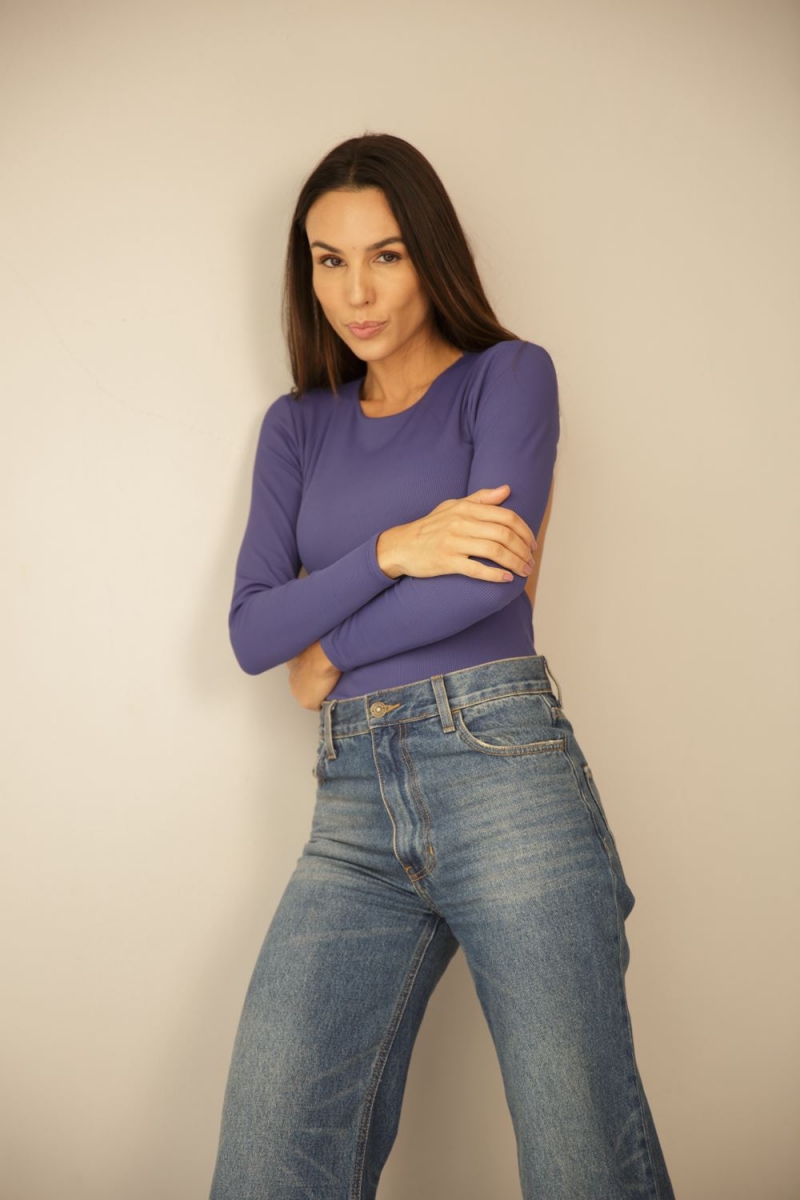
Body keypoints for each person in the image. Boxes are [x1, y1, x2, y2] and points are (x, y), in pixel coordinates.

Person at [208, 132, 676, 1200]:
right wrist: (395, 548)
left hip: (501, 770)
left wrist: (329, 648)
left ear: (431, 254)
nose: (356, 292)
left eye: (385, 255)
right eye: (329, 260)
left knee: (580, 1160)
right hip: (352, 812)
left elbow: (487, 585)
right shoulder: (296, 428)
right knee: (269, 1159)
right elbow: (251, 632)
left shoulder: (508, 378)